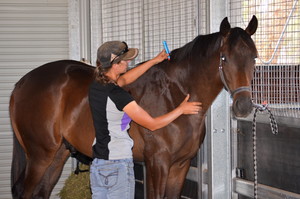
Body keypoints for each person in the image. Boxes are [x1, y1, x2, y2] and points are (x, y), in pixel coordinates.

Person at [88, 41, 201, 199]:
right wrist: (181, 109)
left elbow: (125, 80)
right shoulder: (119, 96)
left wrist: (154, 61)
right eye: (125, 60)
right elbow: (152, 124)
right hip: (118, 165)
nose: (129, 62)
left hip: (99, 165)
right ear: (115, 64)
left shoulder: (97, 86)